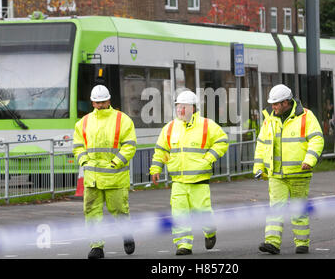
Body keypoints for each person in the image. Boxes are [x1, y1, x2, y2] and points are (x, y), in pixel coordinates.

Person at [149, 90, 228, 256]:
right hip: (178, 181)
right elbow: (160, 150)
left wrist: (208, 158)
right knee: (179, 214)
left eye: (183, 107)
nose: (180, 110)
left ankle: (210, 232)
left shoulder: (207, 125)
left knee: (203, 212)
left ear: (193, 108)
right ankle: (183, 245)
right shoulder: (170, 128)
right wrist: (156, 169)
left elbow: (222, 141)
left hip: (199, 180)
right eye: (178, 107)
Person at [253, 84, 324, 255]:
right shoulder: (269, 119)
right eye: (272, 104)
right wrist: (258, 167)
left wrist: (310, 160)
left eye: (276, 104)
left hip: (299, 173)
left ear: (286, 102)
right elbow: (262, 144)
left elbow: (317, 139)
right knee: (275, 209)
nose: (273, 107)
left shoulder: (307, 117)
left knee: (298, 210)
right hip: (276, 174)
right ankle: (272, 243)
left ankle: (302, 243)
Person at [73, 85, 137, 259]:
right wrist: (84, 161)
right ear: (92, 102)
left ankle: (126, 234)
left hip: (114, 177)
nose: (100, 105)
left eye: (103, 102)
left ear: (109, 100)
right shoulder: (84, 122)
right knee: (91, 212)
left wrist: (116, 162)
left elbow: (130, 146)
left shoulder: (122, 120)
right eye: (97, 102)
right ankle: (97, 247)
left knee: (119, 210)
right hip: (92, 178)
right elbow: (78, 146)